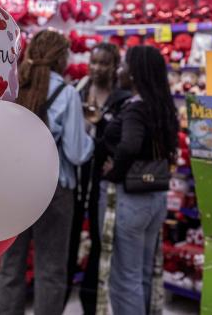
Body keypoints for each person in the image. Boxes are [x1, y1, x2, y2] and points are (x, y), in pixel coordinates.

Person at [0, 30, 94, 315]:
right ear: (61, 58)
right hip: (54, 192)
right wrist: (91, 139)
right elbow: (76, 152)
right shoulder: (67, 94)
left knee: (10, 266)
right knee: (50, 269)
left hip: (14, 190)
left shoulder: (13, 88)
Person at [99, 45, 178, 315]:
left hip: (131, 198)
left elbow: (130, 145)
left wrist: (114, 171)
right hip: (156, 197)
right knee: (144, 272)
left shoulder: (134, 108)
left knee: (125, 278)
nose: (119, 71)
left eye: (123, 66)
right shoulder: (162, 106)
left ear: (134, 74)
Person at [66, 43, 130, 314]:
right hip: (74, 176)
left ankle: (90, 300)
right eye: (93, 61)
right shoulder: (79, 89)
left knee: (98, 241)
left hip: (102, 182)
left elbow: (121, 141)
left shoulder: (122, 98)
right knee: (68, 239)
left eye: (103, 63)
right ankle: (63, 293)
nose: (96, 68)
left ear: (115, 65)